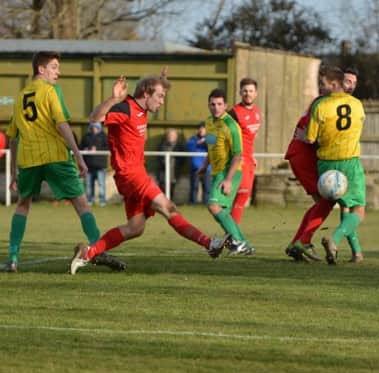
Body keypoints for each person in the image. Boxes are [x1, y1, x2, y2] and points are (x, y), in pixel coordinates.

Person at [69, 71, 228, 274]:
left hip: (131, 176)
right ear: (146, 93)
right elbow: (95, 118)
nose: (162, 102)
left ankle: (87, 253)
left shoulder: (141, 110)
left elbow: (150, 90)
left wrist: (161, 81)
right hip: (132, 175)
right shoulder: (125, 108)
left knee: (135, 228)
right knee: (168, 207)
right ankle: (210, 244)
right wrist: (114, 98)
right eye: (160, 96)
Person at [2, 51, 124, 273]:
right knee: (81, 203)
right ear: (41, 69)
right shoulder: (51, 91)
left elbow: (12, 138)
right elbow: (62, 125)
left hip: (28, 160)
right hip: (56, 156)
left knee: (22, 205)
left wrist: (12, 173)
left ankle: (12, 259)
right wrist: (78, 155)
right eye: (55, 67)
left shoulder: (20, 96)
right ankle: (99, 249)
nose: (58, 72)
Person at [285, 66, 363, 263]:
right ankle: (327, 241)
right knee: (355, 208)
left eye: (353, 82)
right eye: (348, 82)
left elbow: (311, 135)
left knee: (326, 203)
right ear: (339, 83)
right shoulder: (353, 105)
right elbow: (312, 138)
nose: (350, 86)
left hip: (320, 160)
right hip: (327, 158)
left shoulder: (321, 104)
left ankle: (301, 242)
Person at [198, 88, 254, 255]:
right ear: (209, 105)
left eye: (219, 104)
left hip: (230, 171)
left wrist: (228, 180)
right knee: (222, 212)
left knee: (214, 206)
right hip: (216, 171)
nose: (216, 107)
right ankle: (243, 244)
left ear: (225, 105)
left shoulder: (231, 125)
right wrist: (203, 166)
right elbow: (211, 147)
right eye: (212, 104)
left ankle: (239, 242)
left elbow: (238, 155)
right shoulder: (209, 122)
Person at [228, 78, 261, 224]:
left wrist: (252, 156)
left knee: (243, 196)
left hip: (249, 159)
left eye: (251, 91)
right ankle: (232, 233)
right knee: (241, 194)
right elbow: (225, 137)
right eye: (245, 91)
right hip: (238, 159)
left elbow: (250, 138)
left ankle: (230, 233)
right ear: (240, 92)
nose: (248, 94)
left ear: (256, 94)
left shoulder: (257, 113)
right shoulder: (234, 113)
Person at [80, 121, 109, 206]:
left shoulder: (104, 137)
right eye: (92, 127)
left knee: (101, 184)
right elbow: (80, 147)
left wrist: (97, 149)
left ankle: (102, 201)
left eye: (96, 127)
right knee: (89, 185)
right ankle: (89, 200)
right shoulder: (86, 137)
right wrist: (86, 149)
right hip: (89, 165)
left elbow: (108, 148)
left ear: (99, 128)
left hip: (100, 165)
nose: (94, 129)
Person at [185, 121, 211, 205]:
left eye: (203, 128)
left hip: (207, 168)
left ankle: (206, 203)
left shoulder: (211, 138)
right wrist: (198, 143)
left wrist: (206, 141)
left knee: (207, 187)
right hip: (195, 167)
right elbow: (188, 148)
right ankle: (193, 203)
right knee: (194, 187)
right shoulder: (193, 139)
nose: (201, 130)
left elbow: (215, 148)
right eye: (200, 128)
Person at [156, 128, 179, 196]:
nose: (170, 137)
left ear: (176, 137)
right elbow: (159, 157)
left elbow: (181, 159)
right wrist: (164, 163)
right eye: (169, 135)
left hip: (173, 172)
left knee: (171, 188)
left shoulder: (178, 146)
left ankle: (170, 203)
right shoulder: (162, 145)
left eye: (172, 135)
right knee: (162, 188)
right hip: (163, 171)